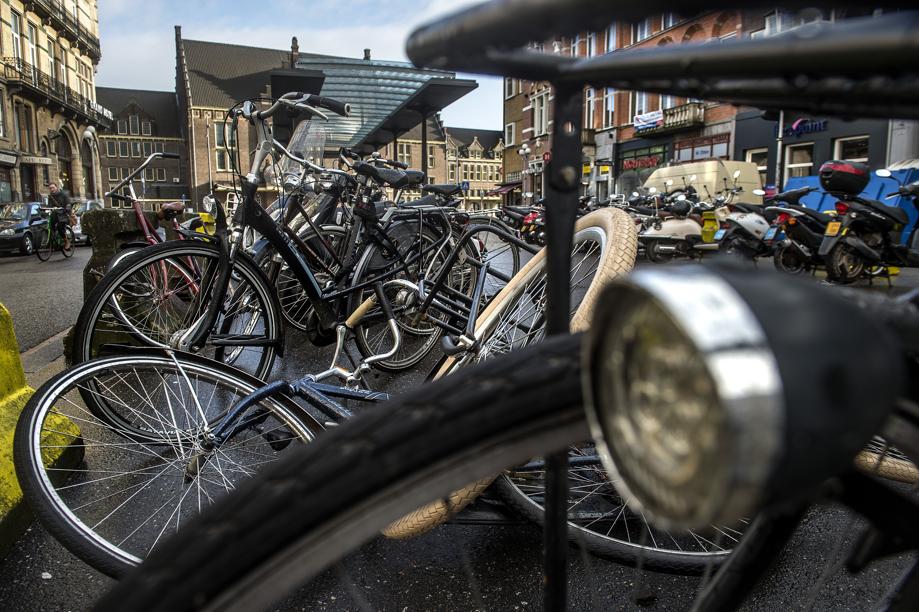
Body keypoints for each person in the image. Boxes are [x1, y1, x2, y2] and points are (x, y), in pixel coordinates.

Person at [48, 182, 72, 250]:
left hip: (63, 214)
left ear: (56, 187)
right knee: (50, 225)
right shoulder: (50, 197)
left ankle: (66, 241)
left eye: (53, 187)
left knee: (60, 228)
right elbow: (49, 206)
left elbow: (68, 203)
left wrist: (67, 208)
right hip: (55, 214)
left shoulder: (63, 194)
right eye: (50, 188)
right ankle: (55, 241)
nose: (52, 189)